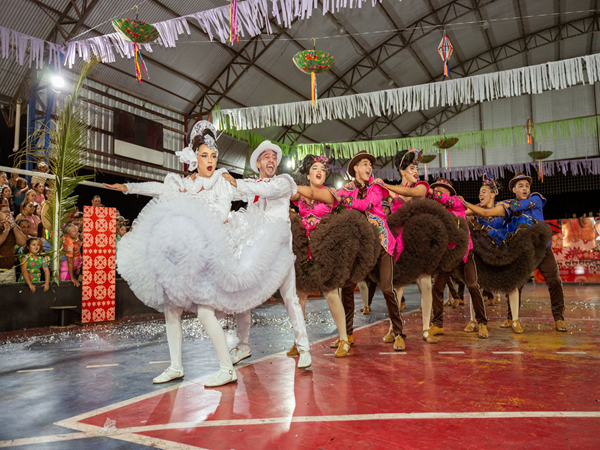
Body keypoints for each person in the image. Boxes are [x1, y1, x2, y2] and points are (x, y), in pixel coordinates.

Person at [107, 122, 294, 386]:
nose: (210, 161)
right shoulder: (185, 183)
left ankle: (226, 368)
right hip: (185, 256)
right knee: (171, 308)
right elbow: (159, 188)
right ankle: (175, 366)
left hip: (211, 255)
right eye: (205, 155)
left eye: (214, 156)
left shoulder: (223, 182)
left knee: (206, 313)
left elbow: (249, 191)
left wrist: (274, 191)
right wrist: (128, 188)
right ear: (195, 158)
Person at [224, 141, 312, 368]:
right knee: (243, 297)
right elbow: (236, 201)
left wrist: (238, 183)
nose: (271, 160)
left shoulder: (283, 182)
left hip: (280, 251)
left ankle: (304, 348)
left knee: (290, 298)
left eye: (274, 157)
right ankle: (243, 346)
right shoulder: (252, 188)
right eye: (266, 157)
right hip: (258, 252)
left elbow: (266, 190)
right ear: (258, 164)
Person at [289, 154, 380, 358]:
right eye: (315, 168)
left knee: (330, 293)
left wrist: (290, 186)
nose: (320, 171)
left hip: (326, 248)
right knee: (300, 296)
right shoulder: (300, 195)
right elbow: (289, 195)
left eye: (322, 169)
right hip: (304, 247)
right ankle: (299, 340)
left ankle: (344, 338)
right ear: (307, 174)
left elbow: (312, 193)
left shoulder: (330, 192)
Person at [463, 173, 552, 334]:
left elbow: (486, 213)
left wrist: (464, 203)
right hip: (483, 250)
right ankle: (474, 320)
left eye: (484, 191)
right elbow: (462, 212)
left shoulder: (502, 207)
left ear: (493, 194)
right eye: (480, 192)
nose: (480, 194)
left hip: (501, 248)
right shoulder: (477, 208)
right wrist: (455, 205)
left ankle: (515, 320)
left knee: (512, 283)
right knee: (476, 284)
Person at [336, 151, 406, 350]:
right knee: (347, 286)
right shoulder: (347, 189)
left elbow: (367, 204)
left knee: (387, 288)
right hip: (360, 245)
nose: (369, 168)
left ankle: (398, 332)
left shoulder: (376, 186)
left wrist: (346, 201)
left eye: (370, 165)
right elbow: (333, 198)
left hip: (382, 242)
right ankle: (347, 334)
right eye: (365, 164)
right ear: (356, 168)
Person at [501, 173, 566, 332]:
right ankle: (511, 317)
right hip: (523, 252)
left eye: (527, 186)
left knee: (554, 280)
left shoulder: (536, 198)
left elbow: (523, 204)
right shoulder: (509, 208)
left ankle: (559, 318)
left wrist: (508, 204)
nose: (525, 188)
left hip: (542, 248)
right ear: (514, 190)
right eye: (521, 186)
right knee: (515, 285)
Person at [427, 177, 489, 339]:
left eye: (443, 190)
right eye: (437, 189)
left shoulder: (457, 202)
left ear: (450, 193)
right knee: (437, 288)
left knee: (473, 285)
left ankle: (482, 323)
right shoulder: (434, 212)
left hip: (464, 253)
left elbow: (445, 200)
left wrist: (430, 191)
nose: (439, 192)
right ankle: (437, 325)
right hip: (447, 256)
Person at [0, 207, 27, 283]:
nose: (8, 214)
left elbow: (22, 242)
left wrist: (13, 226)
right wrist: (6, 230)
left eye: (9, 212)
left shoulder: (14, 227)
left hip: (10, 270)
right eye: (5, 212)